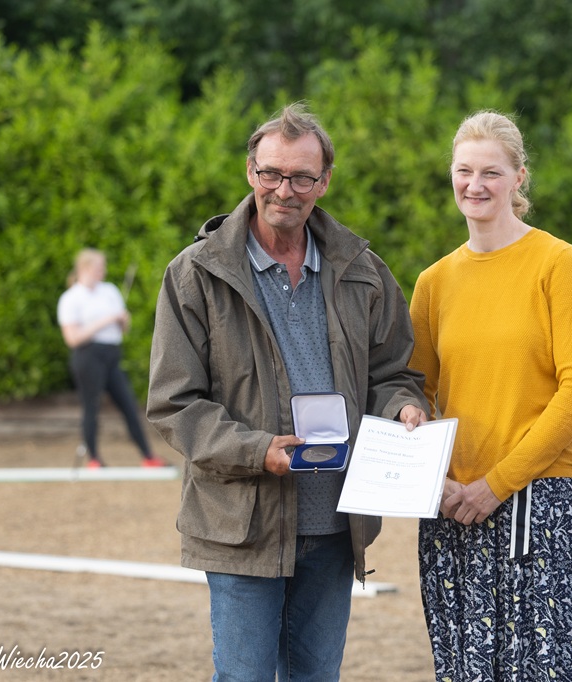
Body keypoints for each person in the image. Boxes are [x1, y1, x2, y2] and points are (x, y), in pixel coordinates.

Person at [146, 103, 428, 682]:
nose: (285, 190)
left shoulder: (364, 272)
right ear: (251, 173)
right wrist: (257, 450)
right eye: (272, 173)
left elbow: (393, 372)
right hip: (240, 522)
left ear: (324, 182)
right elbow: (174, 402)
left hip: (334, 524)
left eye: (302, 177)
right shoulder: (194, 274)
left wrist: (403, 407)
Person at [408, 111, 572, 681]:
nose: (475, 185)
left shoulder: (556, 262)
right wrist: (437, 480)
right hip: (453, 514)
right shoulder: (434, 282)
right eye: (464, 171)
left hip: (541, 508)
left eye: (491, 172)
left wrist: (496, 485)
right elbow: (415, 392)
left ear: (519, 177)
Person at [57, 248, 167, 468]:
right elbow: (73, 338)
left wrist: (122, 320)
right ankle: (94, 459)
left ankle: (147, 456)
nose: (103, 271)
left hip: (111, 356)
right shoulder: (71, 298)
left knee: (128, 404)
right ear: (85, 268)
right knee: (91, 406)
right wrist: (106, 320)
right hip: (88, 357)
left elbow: (123, 328)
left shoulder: (109, 291)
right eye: (100, 267)